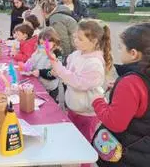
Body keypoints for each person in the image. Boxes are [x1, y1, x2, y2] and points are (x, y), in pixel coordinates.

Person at [91, 23, 150, 167]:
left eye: (121, 47)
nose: (119, 51)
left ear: (133, 53)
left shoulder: (131, 82)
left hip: (124, 154)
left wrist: (98, 101)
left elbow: (115, 123)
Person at [51, 19, 113, 145]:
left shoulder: (94, 63)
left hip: (87, 114)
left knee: (84, 146)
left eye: (80, 39)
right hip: (74, 108)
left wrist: (59, 68)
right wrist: (58, 72)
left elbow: (79, 83)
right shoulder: (76, 55)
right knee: (72, 143)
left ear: (94, 41)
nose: (75, 41)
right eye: (75, 37)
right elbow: (68, 75)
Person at [29, 27, 62, 101]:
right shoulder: (39, 50)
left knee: (50, 107)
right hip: (39, 84)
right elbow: (32, 59)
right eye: (41, 43)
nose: (44, 46)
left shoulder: (57, 54)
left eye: (46, 43)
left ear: (55, 42)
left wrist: (40, 72)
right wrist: (27, 66)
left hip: (50, 89)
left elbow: (54, 74)